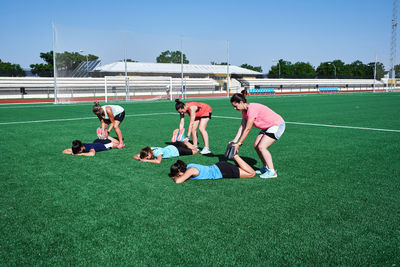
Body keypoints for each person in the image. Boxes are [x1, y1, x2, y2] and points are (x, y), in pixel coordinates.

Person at [230, 90, 285, 179]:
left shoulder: (252, 109)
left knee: (262, 147)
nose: (235, 108)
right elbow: (242, 126)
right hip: (267, 126)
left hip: (276, 125)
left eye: (235, 106)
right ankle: (266, 167)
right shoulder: (244, 111)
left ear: (241, 102)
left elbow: (247, 129)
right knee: (256, 145)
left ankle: (272, 171)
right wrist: (235, 140)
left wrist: (239, 144)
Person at [169, 154, 255, 183]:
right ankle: (235, 158)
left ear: (180, 170)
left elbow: (178, 181)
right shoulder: (189, 166)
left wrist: (174, 177)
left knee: (251, 174)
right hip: (221, 167)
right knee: (248, 172)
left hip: (222, 171)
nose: (178, 176)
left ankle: (235, 156)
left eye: (177, 174)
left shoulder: (190, 170)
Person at [132, 140, 198, 164]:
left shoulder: (158, 152)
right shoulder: (149, 149)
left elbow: (158, 161)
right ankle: (182, 143)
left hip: (177, 151)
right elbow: (134, 156)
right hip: (171, 146)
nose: (147, 158)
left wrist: (146, 161)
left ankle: (186, 142)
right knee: (186, 147)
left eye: (147, 157)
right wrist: (140, 158)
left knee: (195, 151)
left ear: (149, 154)